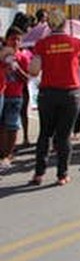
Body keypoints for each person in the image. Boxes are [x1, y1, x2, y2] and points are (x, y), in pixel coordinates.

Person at [28, 10, 80, 186]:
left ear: (49, 25)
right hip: (71, 94)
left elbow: (33, 70)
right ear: (65, 24)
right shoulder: (77, 43)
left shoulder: (42, 44)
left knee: (45, 134)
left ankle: (39, 174)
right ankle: (62, 175)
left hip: (48, 93)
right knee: (64, 136)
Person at [0, 27, 30, 169]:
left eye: (18, 39)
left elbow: (27, 79)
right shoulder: (1, 54)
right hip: (2, 94)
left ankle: (7, 155)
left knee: (12, 126)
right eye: (13, 39)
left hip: (15, 95)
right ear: (6, 39)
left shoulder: (23, 56)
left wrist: (17, 69)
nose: (16, 42)